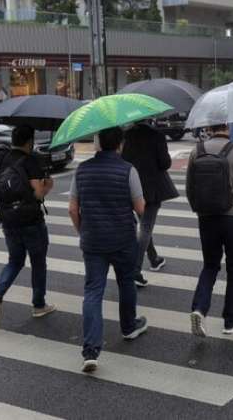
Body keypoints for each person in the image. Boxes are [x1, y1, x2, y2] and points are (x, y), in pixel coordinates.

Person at [69, 127, 147, 373]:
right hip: (123, 238)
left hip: (93, 241)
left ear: (98, 143)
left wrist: (83, 231)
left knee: (93, 292)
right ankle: (128, 326)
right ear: (120, 144)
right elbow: (141, 208)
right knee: (126, 282)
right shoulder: (128, 170)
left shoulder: (81, 170)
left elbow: (73, 209)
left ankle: (90, 350)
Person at [186, 123, 233, 337]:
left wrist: (199, 209)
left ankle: (199, 309)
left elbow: (189, 188)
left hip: (206, 217)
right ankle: (230, 320)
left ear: (209, 127)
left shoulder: (196, 151)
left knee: (210, 266)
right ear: (228, 127)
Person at [0, 125, 56, 329]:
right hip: (31, 220)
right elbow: (37, 193)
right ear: (29, 142)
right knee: (38, 262)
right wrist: (48, 185)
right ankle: (39, 304)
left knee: (15, 261)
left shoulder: (1, 158)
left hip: (7, 219)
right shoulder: (30, 160)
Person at [122, 121, 177, 288]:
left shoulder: (127, 135)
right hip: (152, 188)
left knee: (145, 226)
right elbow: (165, 163)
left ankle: (154, 259)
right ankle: (135, 270)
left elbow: (123, 159)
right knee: (146, 227)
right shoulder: (157, 135)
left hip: (131, 186)